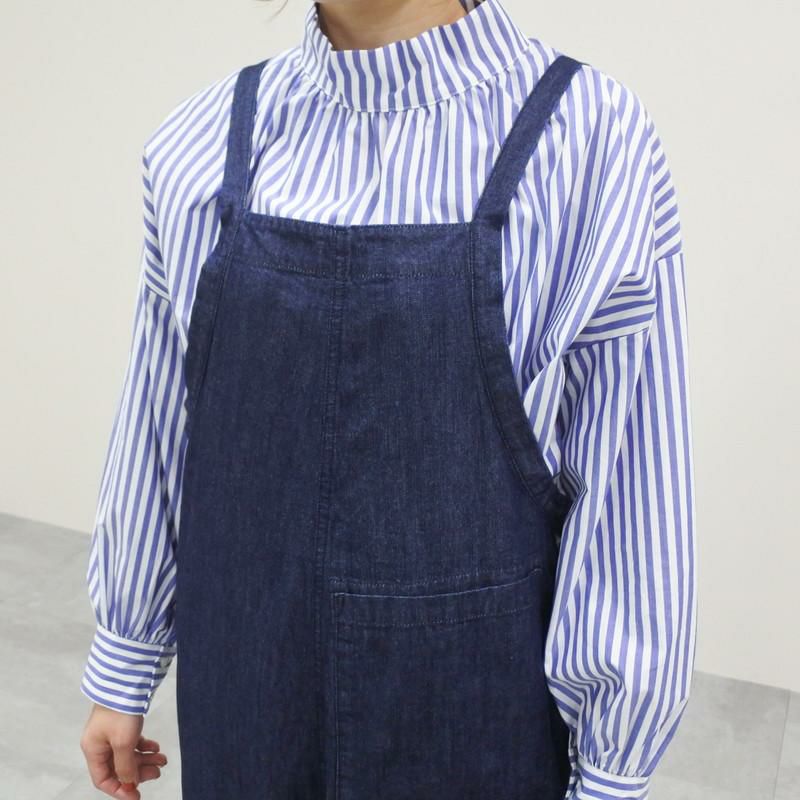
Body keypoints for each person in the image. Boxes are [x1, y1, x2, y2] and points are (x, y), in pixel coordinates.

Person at [78, 1, 697, 798]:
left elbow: (628, 480)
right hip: (245, 695)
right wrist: (125, 658)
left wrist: (613, 769)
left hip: (472, 716)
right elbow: (161, 420)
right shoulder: (198, 143)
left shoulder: (590, 140)